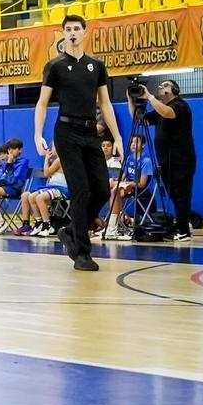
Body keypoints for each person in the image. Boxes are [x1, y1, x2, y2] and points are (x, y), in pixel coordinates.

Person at [34, 14, 124, 272]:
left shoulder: (96, 65)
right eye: (68, 29)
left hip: (90, 133)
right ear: (63, 33)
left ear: (85, 32)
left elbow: (105, 103)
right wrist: (37, 134)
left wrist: (116, 136)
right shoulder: (55, 66)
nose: (72, 32)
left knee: (102, 191)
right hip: (66, 132)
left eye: (77, 28)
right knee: (81, 190)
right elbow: (42, 103)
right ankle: (82, 252)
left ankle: (72, 229)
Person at [138, 77, 196, 244]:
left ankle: (183, 230)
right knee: (174, 195)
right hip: (165, 160)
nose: (160, 87)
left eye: (165, 85)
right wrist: (131, 99)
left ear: (175, 90)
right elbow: (141, 119)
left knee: (181, 195)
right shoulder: (159, 110)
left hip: (181, 160)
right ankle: (183, 224)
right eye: (160, 85)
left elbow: (167, 113)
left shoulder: (180, 106)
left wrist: (149, 97)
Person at [0, 138, 29, 234]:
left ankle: (1, 221)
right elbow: (2, 179)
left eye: (13, 149)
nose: (11, 151)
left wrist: (9, 164)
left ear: (20, 150)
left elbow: (11, 180)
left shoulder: (23, 162)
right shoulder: (6, 163)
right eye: (9, 149)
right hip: (6, 187)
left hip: (14, 189)